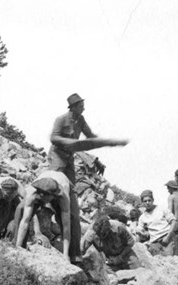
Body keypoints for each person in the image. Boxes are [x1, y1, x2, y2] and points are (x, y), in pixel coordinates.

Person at [49, 93, 129, 262]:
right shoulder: (61, 119)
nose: (83, 108)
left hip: (70, 158)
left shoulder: (81, 120)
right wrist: (67, 143)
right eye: (81, 105)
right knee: (54, 185)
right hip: (57, 156)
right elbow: (53, 138)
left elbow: (89, 136)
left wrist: (104, 144)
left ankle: (75, 253)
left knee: (72, 203)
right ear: (73, 107)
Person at [16, 171, 72, 261]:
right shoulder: (32, 193)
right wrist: (18, 247)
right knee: (20, 210)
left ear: (52, 196)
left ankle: (72, 255)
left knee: (70, 219)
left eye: (45, 199)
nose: (43, 200)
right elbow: (25, 220)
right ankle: (20, 243)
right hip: (45, 180)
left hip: (62, 180)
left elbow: (66, 226)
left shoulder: (63, 196)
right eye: (41, 197)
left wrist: (66, 254)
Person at [136, 190, 176, 256]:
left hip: (166, 240)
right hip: (154, 243)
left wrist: (168, 236)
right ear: (142, 202)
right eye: (145, 201)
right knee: (157, 264)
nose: (147, 203)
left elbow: (173, 221)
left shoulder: (162, 209)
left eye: (149, 200)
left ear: (153, 200)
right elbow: (138, 232)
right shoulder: (142, 217)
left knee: (169, 262)